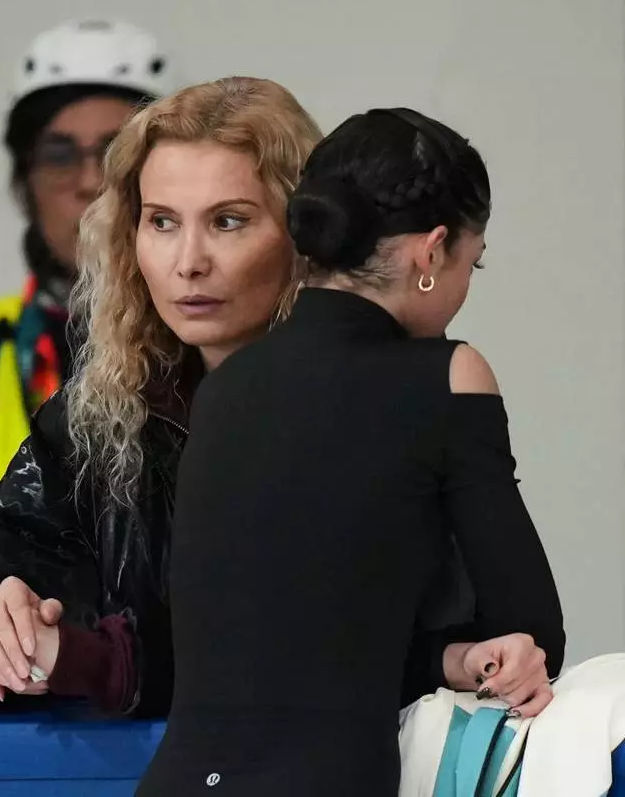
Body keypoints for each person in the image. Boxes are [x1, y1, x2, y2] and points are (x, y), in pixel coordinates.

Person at [0, 79, 559, 723]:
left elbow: (335, 656)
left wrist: (83, 661)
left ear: (307, 236)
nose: (188, 262)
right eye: (161, 222)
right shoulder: (97, 418)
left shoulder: (393, 401)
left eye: (228, 221)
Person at [136, 107, 565, 794]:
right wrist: (475, 655)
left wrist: (453, 659)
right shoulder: (447, 375)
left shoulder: (227, 387)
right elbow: (530, 630)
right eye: (471, 260)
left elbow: (276, 647)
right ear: (431, 253)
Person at [0, 18, 174, 488]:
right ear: (24, 184)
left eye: (116, 153)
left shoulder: (215, 342)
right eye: (60, 155)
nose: (90, 182)